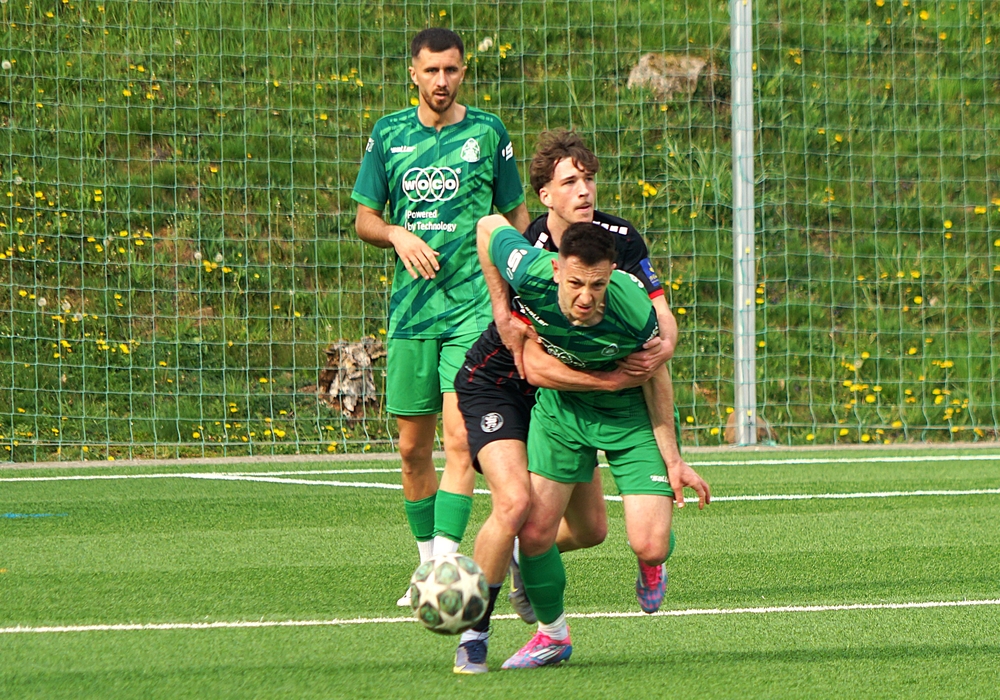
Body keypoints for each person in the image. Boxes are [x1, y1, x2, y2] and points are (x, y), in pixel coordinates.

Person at [450, 131, 702, 674]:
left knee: (623, 537)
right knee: (523, 517)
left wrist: (660, 350)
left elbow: (659, 343)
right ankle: (512, 632)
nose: (584, 190)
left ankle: (647, 562)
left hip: (617, 402)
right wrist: (503, 314)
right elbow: (489, 231)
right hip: (536, 389)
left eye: (589, 179)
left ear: (609, 274)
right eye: (570, 181)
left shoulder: (621, 252)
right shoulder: (533, 259)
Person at [351, 28, 530, 606]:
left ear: (463, 72)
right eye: (431, 70)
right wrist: (396, 234)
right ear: (414, 73)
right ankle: (426, 560)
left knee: (459, 440)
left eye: (451, 70)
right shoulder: (389, 134)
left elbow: (517, 218)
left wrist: (524, 282)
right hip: (411, 311)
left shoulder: (487, 133)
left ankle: (445, 565)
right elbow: (364, 219)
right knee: (411, 450)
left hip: (472, 310)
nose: (442, 81)